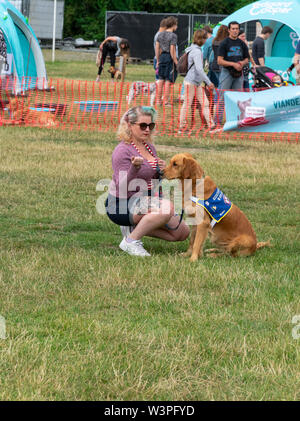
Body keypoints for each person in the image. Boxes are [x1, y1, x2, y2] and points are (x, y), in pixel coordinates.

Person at [105, 106, 189, 257]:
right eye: (142, 125)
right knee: (166, 208)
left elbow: (152, 182)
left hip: (144, 201)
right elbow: (122, 187)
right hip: (121, 204)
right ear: (130, 125)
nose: (147, 130)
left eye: (151, 125)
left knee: (182, 233)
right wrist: (134, 168)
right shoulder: (122, 151)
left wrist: (161, 172)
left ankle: (135, 227)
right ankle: (131, 241)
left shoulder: (149, 147)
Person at [178, 29, 215, 133]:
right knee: (187, 104)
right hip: (191, 82)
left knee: (205, 103)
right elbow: (199, 69)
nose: (206, 39)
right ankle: (182, 127)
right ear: (202, 39)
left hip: (196, 82)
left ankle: (211, 125)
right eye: (205, 38)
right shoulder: (197, 51)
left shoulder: (191, 49)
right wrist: (209, 82)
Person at [217, 21, 250, 91]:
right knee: (223, 96)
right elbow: (219, 61)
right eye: (233, 29)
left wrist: (242, 63)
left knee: (237, 96)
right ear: (229, 30)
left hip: (239, 73)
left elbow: (247, 59)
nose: (235, 31)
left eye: (237, 29)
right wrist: (233, 64)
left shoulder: (242, 43)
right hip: (227, 72)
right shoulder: (224, 43)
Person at [155, 16, 178, 105]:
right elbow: (172, 50)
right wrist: (176, 62)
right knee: (168, 80)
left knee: (161, 79)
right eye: (176, 25)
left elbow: (157, 48)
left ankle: (158, 100)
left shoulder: (160, 34)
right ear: (173, 25)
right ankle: (166, 101)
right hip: (169, 58)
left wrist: (158, 60)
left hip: (162, 57)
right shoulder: (173, 36)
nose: (177, 27)